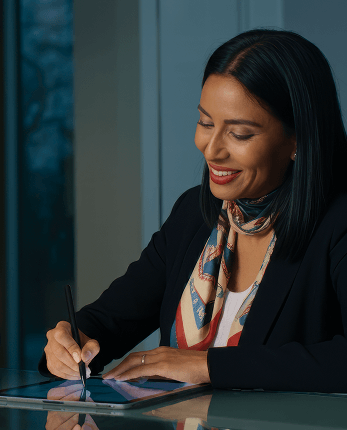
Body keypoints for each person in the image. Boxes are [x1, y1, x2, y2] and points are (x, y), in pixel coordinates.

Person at [40, 28, 347, 392]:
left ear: (297, 140)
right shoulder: (194, 213)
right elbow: (109, 320)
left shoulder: (337, 222)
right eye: (205, 123)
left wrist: (206, 366)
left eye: (240, 134)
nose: (211, 149)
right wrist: (68, 343)